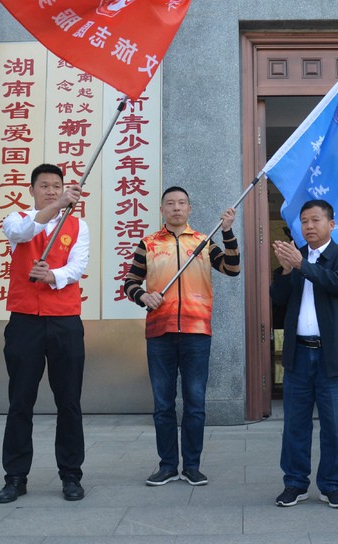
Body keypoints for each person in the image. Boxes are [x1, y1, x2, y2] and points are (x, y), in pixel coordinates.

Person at [124, 186, 240, 486]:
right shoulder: (147, 244)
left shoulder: (203, 242)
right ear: (162, 209)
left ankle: (191, 465)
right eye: (170, 203)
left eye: (182, 203)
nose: (176, 208)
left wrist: (227, 232)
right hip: (159, 333)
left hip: (196, 333)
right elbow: (130, 282)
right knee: (163, 404)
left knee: (195, 403)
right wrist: (142, 297)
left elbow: (232, 268)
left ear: (190, 209)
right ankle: (166, 465)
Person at [0, 163, 90, 504]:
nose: (51, 190)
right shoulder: (17, 219)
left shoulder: (78, 226)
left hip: (64, 320)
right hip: (24, 322)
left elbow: (78, 266)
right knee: (20, 400)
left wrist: (52, 276)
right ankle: (15, 477)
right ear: (32, 190)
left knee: (69, 402)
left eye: (57, 186)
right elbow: (20, 234)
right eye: (45, 186)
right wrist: (56, 206)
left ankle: (71, 475)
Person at [270, 199, 338, 509]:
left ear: (331, 224)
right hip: (299, 355)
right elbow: (278, 300)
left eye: (315, 220)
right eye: (304, 221)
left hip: (332, 357)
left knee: (335, 425)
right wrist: (284, 271)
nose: (308, 226)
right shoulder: (295, 260)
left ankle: (333, 485)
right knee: (295, 424)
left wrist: (301, 265)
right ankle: (294, 484)